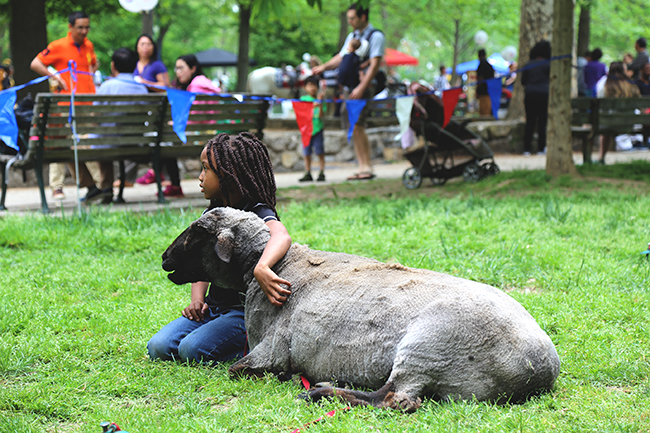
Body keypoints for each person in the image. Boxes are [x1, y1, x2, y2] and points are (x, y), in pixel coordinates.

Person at [147, 132, 292, 365]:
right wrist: (198, 300)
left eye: (206, 169)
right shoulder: (212, 213)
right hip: (213, 309)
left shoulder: (255, 212)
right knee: (159, 347)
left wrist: (262, 267)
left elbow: (281, 235)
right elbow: (200, 259)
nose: (200, 177)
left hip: (243, 313)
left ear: (228, 175)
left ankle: (257, 347)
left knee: (192, 351)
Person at [30, 10, 107, 202]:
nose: (84, 31)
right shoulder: (58, 46)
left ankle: (95, 185)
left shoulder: (88, 45)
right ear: (70, 27)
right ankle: (62, 186)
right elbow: (36, 63)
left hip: (87, 103)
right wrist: (55, 76)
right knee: (62, 144)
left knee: (80, 145)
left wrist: (88, 76)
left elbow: (93, 63)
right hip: (66, 105)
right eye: (80, 27)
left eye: (87, 27)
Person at [312, 3, 385, 181]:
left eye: (353, 18)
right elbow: (341, 57)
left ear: (363, 17)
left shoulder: (376, 36)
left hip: (364, 87)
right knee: (353, 124)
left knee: (359, 123)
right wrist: (323, 66)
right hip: (349, 89)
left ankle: (366, 166)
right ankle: (361, 166)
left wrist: (361, 87)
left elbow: (375, 64)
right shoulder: (352, 36)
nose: (350, 22)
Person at [92, 47, 149, 203]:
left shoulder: (107, 86)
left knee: (99, 137)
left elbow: (95, 115)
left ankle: (105, 188)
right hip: (134, 142)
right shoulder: (142, 89)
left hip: (108, 143)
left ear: (113, 66)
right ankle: (107, 189)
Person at [116, 35, 171, 188]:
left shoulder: (157, 65)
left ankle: (157, 174)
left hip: (153, 112)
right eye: (142, 44)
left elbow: (165, 86)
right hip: (135, 112)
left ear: (153, 47)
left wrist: (144, 83)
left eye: (149, 44)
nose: (146, 47)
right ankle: (127, 178)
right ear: (137, 47)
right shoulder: (132, 65)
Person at [597, 61, 641, 164]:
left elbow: (600, 108)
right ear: (623, 71)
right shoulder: (632, 87)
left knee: (602, 128)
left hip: (610, 125)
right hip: (629, 125)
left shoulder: (606, 88)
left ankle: (600, 158)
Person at [521, 40, 551, 156]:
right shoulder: (549, 64)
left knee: (530, 121)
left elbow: (523, 81)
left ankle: (527, 149)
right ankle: (541, 148)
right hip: (544, 95)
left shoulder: (528, 64)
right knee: (542, 122)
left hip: (530, 95)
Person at [298, 75, 327, 182]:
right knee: (307, 153)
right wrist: (313, 105)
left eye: (314, 85)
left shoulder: (321, 100)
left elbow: (321, 115)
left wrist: (320, 103)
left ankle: (321, 172)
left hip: (318, 129)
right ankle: (308, 172)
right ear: (305, 87)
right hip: (306, 130)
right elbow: (302, 113)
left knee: (320, 152)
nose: (312, 88)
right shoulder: (303, 99)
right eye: (309, 85)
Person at [476, 49, 495, 116]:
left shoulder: (481, 65)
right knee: (487, 110)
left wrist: (477, 90)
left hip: (484, 92)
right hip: (489, 91)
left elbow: (480, 79)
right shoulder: (490, 66)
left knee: (484, 112)